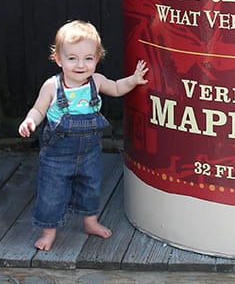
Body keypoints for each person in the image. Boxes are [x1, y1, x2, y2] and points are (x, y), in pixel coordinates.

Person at [19, 19, 148, 251]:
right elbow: (39, 109)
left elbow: (117, 88)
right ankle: (48, 232)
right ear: (58, 59)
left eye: (88, 59)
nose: (81, 65)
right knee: (51, 194)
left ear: (97, 59)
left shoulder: (96, 82)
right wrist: (30, 121)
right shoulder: (52, 86)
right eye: (72, 59)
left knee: (90, 189)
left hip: (89, 153)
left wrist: (134, 79)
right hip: (56, 157)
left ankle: (91, 222)